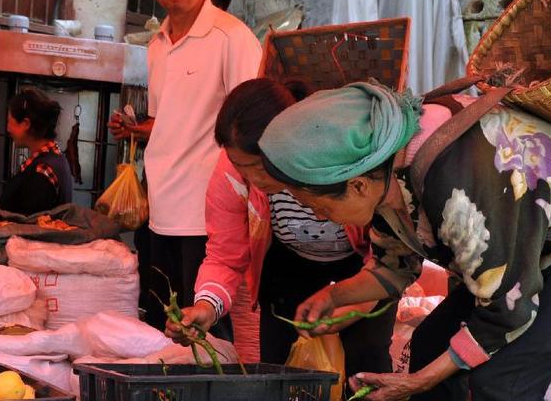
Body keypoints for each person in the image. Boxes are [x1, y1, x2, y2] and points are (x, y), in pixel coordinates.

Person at [257, 80, 551, 401]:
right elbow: (395, 266)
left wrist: (416, 382)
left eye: (319, 206)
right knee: (430, 342)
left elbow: (505, 312)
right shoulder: (381, 167)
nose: (321, 218)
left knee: (503, 385)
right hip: (515, 260)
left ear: (357, 185)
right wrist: (335, 297)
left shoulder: (463, 180)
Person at [165, 78, 397, 377]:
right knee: (281, 370)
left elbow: (390, 259)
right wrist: (206, 307)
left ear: (288, 141)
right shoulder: (231, 174)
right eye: (240, 166)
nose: (254, 178)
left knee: (366, 363)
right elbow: (225, 256)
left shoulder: (342, 154)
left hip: (363, 265)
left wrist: (348, 305)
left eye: (260, 167)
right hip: (288, 267)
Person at [108, 0, 261, 335]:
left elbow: (252, 124)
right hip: (160, 211)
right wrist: (136, 130)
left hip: (208, 216)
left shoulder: (233, 37)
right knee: (165, 331)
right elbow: (167, 122)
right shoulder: (157, 45)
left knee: (207, 333)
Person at [0, 87, 73, 216]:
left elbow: (29, 227)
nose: (8, 129)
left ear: (26, 124)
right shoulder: (56, 158)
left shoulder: (42, 171)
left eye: (10, 122)